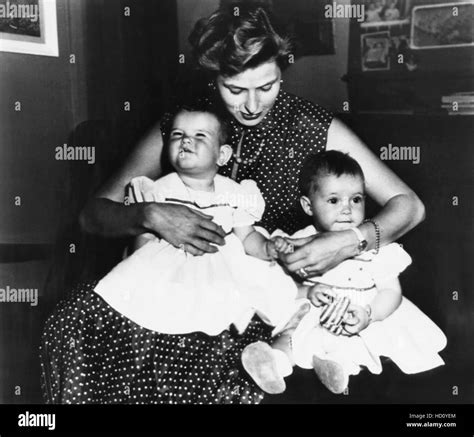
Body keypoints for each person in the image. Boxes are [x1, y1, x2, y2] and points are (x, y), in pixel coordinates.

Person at [40, 3, 425, 404]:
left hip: (272, 294)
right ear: (213, 78)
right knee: (72, 322)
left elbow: (410, 205)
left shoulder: (314, 125)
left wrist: (347, 242)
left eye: (268, 86)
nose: (253, 105)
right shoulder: (186, 124)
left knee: (221, 363)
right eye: (235, 89)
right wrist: (149, 214)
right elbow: (92, 214)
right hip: (179, 282)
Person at [241, 151, 446, 395]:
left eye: (356, 199)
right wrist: (306, 288)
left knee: (350, 344)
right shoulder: (301, 240)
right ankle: (273, 364)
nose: (347, 209)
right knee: (291, 335)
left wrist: (369, 315)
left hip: (360, 311)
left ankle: (333, 367)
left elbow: (392, 292)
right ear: (308, 206)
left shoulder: (375, 247)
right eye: (334, 200)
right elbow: (285, 284)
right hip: (316, 310)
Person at [94, 105, 309, 337]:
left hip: (225, 267)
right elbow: (144, 238)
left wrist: (268, 248)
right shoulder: (158, 191)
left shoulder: (237, 193)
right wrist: (141, 269)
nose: (186, 141)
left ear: (222, 155)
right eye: (178, 134)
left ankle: (288, 336)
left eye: (200, 135)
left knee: (268, 287)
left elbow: (246, 236)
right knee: (154, 306)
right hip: (174, 268)